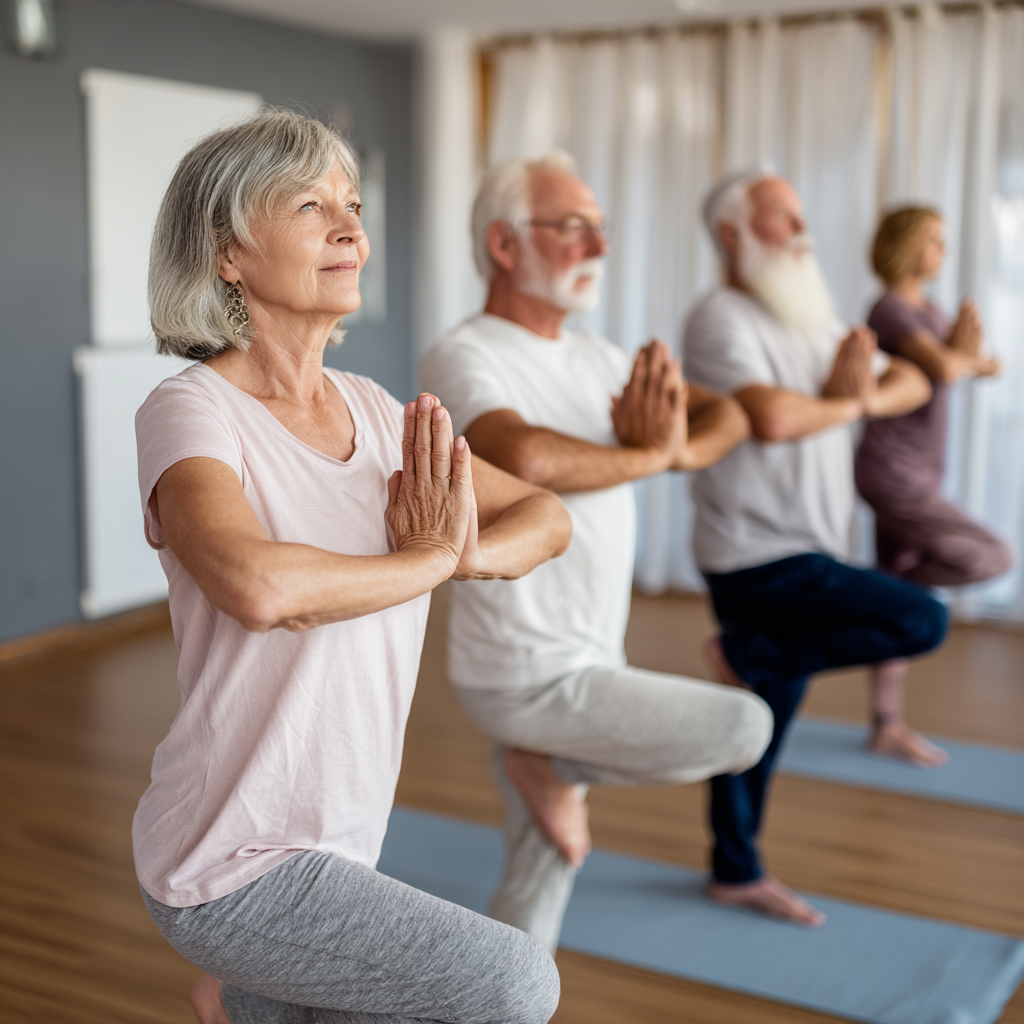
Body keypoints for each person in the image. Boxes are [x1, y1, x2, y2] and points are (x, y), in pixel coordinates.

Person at [135, 110, 572, 1024]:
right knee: (514, 982)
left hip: (341, 845)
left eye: (353, 204)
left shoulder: (378, 412)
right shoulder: (191, 412)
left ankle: (228, 1004)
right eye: (309, 205)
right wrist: (427, 557)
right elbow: (260, 587)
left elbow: (548, 515)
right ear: (228, 255)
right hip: (230, 862)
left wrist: (466, 557)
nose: (350, 228)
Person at [419, 152, 774, 953]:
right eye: (573, 227)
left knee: (543, 866)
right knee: (745, 727)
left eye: (601, 229)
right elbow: (528, 457)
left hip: (589, 657)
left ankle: (505, 993)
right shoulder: (465, 353)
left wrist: (673, 446)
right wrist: (652, 456)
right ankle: (544, 765)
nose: (598, 248)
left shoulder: (602, 360)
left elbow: (733, 417)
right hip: (525, 675)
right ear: (505, 245)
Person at [683, 170, 949, 927]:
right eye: (781, 217)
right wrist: (846, 402)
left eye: (801, 214)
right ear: (734, 234)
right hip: (755, 551)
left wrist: (846, 399)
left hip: (808, 543)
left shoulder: (809, 316)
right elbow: (768, 417)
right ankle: (754, 660)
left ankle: (734, 868)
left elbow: (912, 381)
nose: (802, 229)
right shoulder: (721, 318)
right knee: (921, 619)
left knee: (760, 722)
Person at [854, 206, 1013, 765]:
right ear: (905, 245)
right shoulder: (890, 308)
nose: (943, 249)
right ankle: (869, 597)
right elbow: (946, 369)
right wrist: (963, 360)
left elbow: (966, 363)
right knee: (992, 556)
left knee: (898, 586)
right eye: (935, 240)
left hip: (921, 469)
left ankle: (886, 723)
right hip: (891, 471)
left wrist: (971, 358)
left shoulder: (932, 309)